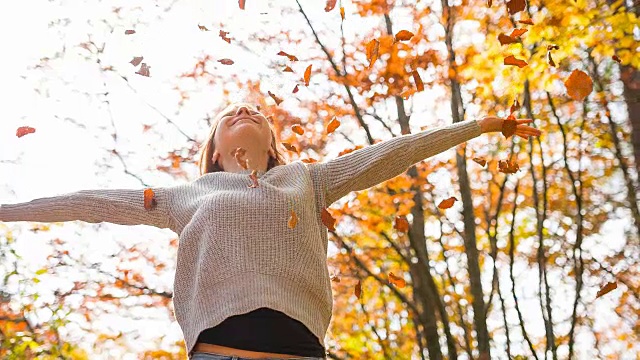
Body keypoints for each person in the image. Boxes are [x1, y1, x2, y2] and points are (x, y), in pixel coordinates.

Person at [0, 102, 541, 360]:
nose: (245, 109)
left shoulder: (308, 180)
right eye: (231, 113)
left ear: (271, 141)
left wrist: (481, 126)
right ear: (213, 149)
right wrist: (10, 212)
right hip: (218, 354)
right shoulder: (185, 196)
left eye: (257, 111)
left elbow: (392, 154)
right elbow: (94, 202)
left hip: (300, 353)